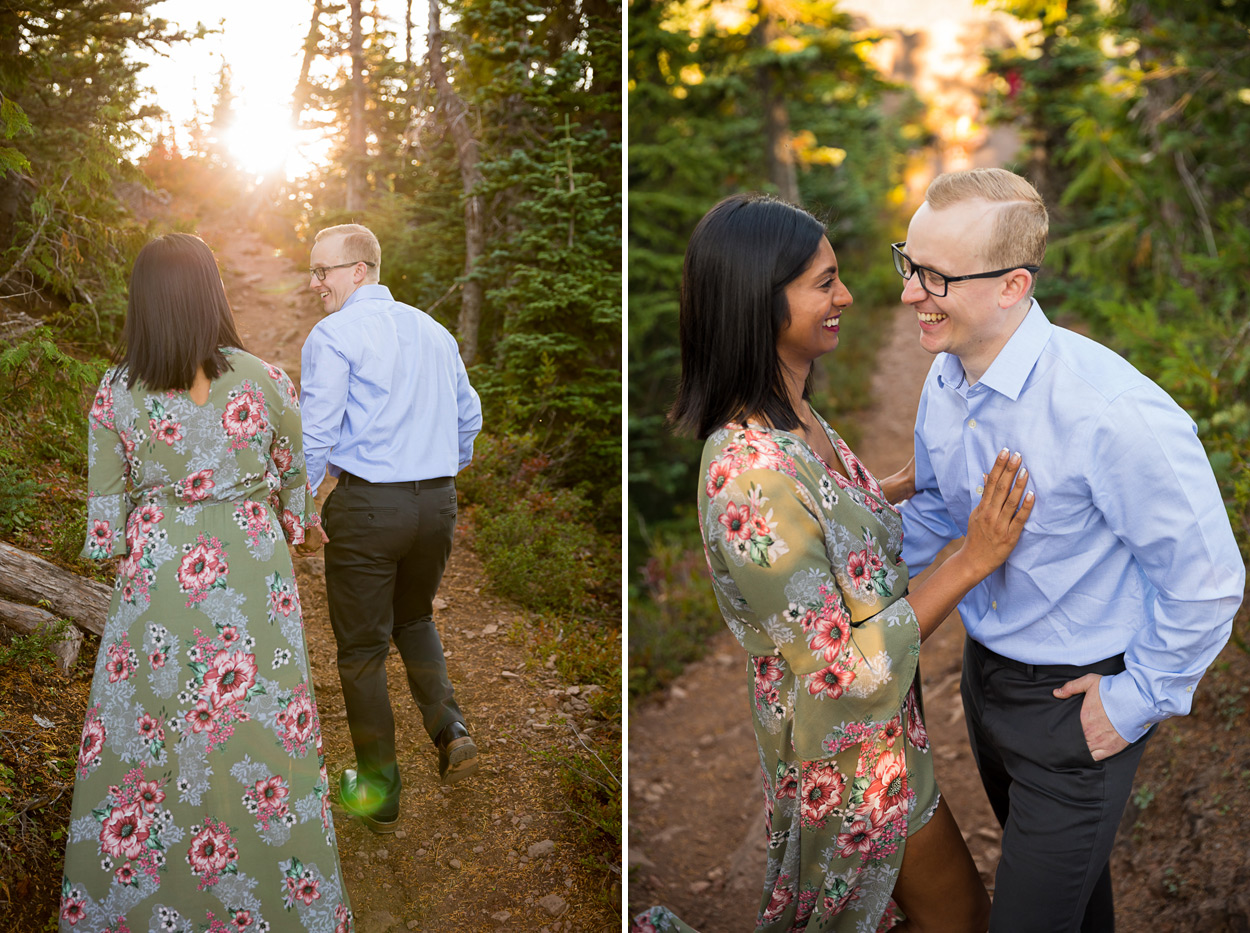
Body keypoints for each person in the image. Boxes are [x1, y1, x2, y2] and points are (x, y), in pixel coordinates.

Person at [634, 193, 1035, 933]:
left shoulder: (793, 419)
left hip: (880, 736)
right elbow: (838, 670)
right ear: (761, 302)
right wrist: (971, 559)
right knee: (962, 920)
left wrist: (898, 482)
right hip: (844, 756)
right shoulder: (745, 475)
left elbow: (817, 525)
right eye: (825, 283)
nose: (847, 295)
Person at [893, 167, 1245, 932]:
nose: (909, 293)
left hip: (1078, 709)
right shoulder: (945, 378)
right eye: (908, 263)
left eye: (935, 277)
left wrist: (1130, 704)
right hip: (986, 686)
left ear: (1013, 285)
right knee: (1076, 909)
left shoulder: (1110, 413)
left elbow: (1210, 579)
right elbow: (934, 514)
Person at [63, 233, 353, 933]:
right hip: (253, 575)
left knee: (151, 734)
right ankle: (278, 902)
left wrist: (150, 516)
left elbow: (105, 522)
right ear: (212, 296)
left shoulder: (114, 392)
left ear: (144, 304)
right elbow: (300, 482)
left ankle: (144, 906)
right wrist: (289, 510)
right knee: (258, 733)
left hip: (159, 575)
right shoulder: (267, 380)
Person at [298, 223, 483, 835]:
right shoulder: (434, 331)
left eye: (324, 270)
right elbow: (468, 417)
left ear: (359, 270)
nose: (315, 281)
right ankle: (449, 728)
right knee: (415, 616)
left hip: (368, 510)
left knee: (359, 651)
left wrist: (297, 504)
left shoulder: (333, 335)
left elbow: (317, 433)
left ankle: (378, 790)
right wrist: (434, 475)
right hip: (436, 505)